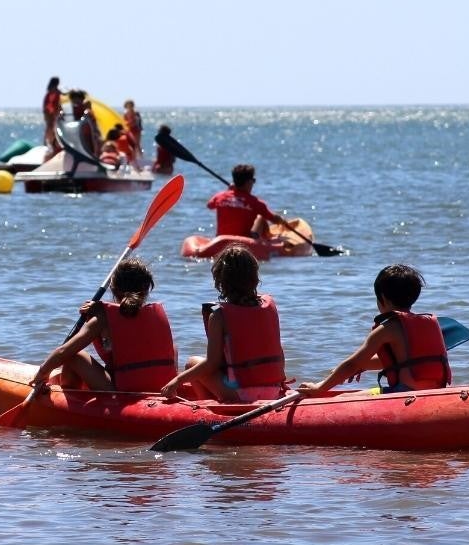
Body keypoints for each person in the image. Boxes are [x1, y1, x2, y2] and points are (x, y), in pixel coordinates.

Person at [297, 265, 450, 396]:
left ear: (382, 298)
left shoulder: (387, 328)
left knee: (342, 399)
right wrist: (363, 366)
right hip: (434, 392)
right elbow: (403, 360)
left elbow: (353, 364)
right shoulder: (429, 323)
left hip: (404, 394)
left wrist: (319, 388)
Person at [160, 245, 287, 403]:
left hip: (242, 395)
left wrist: (177, 381)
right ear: (254, 276)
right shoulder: (269, 307)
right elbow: (279, 353)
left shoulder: (219, 316)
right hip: (274, 390)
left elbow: (211, 364)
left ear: (221, 280)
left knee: (191, 363)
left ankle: (208, 410)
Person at [32, 258, 177, 392]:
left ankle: (71, 398)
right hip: (162, 387)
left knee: (73, 355)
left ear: (113, 289)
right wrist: (100, 309)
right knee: (172, 348)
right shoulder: (155, 314)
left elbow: (64, 352)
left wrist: (42, 373)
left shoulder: (103, 318)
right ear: (147, 288)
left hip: (125, 391)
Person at [207, 163, 290, 238]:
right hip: (245, 241)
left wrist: (229, 191)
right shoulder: (256, 203)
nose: (253, 183)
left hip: (222, 239)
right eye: (253, 180)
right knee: (261, 217)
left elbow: (209, 205)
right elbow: (273, 219)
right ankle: (268, 239)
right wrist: (282, 220)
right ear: (248, 182)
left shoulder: (219, 197)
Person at [42, 76, 63, 155]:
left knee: (51, 127)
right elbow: (51, 103)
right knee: (51, 127)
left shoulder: (51, 91)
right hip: (51, 112)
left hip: (50, 111)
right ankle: (48, 142)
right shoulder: (53, 91)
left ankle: (49, 142)